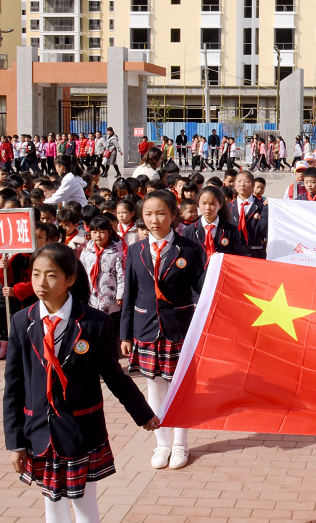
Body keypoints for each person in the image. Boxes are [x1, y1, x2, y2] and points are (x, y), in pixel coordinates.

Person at [3, 243, 160, 523]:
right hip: (39, 433)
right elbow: (13, 387)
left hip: (81, 431)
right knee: (52, 504)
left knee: (85, 504)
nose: (41, 282)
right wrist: (15, 443)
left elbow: (114, 375)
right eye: (35, 274)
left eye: (51, 275)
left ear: (70, 279)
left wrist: (143, 413)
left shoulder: (94, 322)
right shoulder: (20, 321)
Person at [120, 191, 205, 470]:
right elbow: (129, 295)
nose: (154, 220)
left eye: (160, 214)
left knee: (179, 388)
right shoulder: (136, 250)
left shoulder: (190, 249)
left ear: (173, 215)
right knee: (153, 387)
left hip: (179, 330)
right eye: (148, 214)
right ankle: (162, 443)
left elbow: (203, 291)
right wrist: (124, 334)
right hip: (145, 330)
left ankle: (181, 443)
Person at [79, 216, 125, 329]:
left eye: (102, 232)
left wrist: (121, 294)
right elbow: (82, 273)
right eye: (94, 232)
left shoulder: (116, 252)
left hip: (110, 296)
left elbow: (121, 274)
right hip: (92, 296)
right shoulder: (86, 252)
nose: (98, 236)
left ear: (109, 233)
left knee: (110, 325)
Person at [182, 185, 250, 261]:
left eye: (212, 204)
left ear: (220, 205)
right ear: (198, 204)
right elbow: (186, 258)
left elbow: (239, 257)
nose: (207, 208)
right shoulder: (189, 231)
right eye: (203, 203)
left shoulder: (231, 231)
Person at [231, 171, 268, 259]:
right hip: (234, 254)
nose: (242, 184)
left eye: (246, 181)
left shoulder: (262, 206)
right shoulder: (228, 207)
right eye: (239, 181)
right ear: (235, 184)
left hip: (256, 254)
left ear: (253, 185)